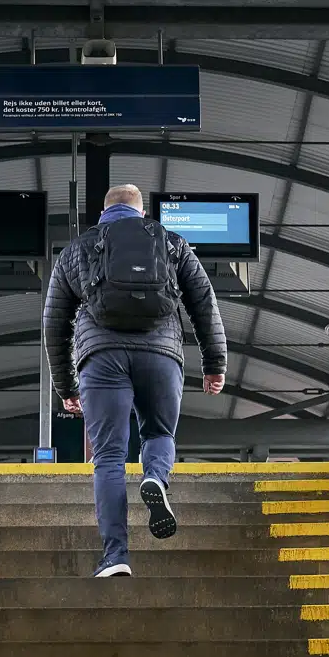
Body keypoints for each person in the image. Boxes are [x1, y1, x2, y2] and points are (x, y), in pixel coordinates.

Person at [44, 184, 227, 577]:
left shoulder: (78, 249)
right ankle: (155, 477)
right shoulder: (172, 243)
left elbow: (54, 322)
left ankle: (116, 557)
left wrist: (66, 386)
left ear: (104, 212)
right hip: (161, 355)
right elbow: (203, 302)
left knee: (108, 456)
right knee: (159, 432)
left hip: (101, 357)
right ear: (142, 212)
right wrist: (215, 363)